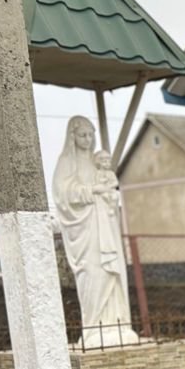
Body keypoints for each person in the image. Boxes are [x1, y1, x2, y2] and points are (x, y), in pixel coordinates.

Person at [51, 116, 138, 348]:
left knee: (111, 272)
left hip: (105, 228)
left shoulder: (98, 162)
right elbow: (63, 194)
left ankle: (117, 324)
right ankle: (93, 328)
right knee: (93, 274)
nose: (87, 140)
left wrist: (108, 195)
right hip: (85, 231)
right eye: (83, 135)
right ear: (73, 136)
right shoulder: (66, 163)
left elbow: (112, 189)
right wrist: (92, 191)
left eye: (91, 135)